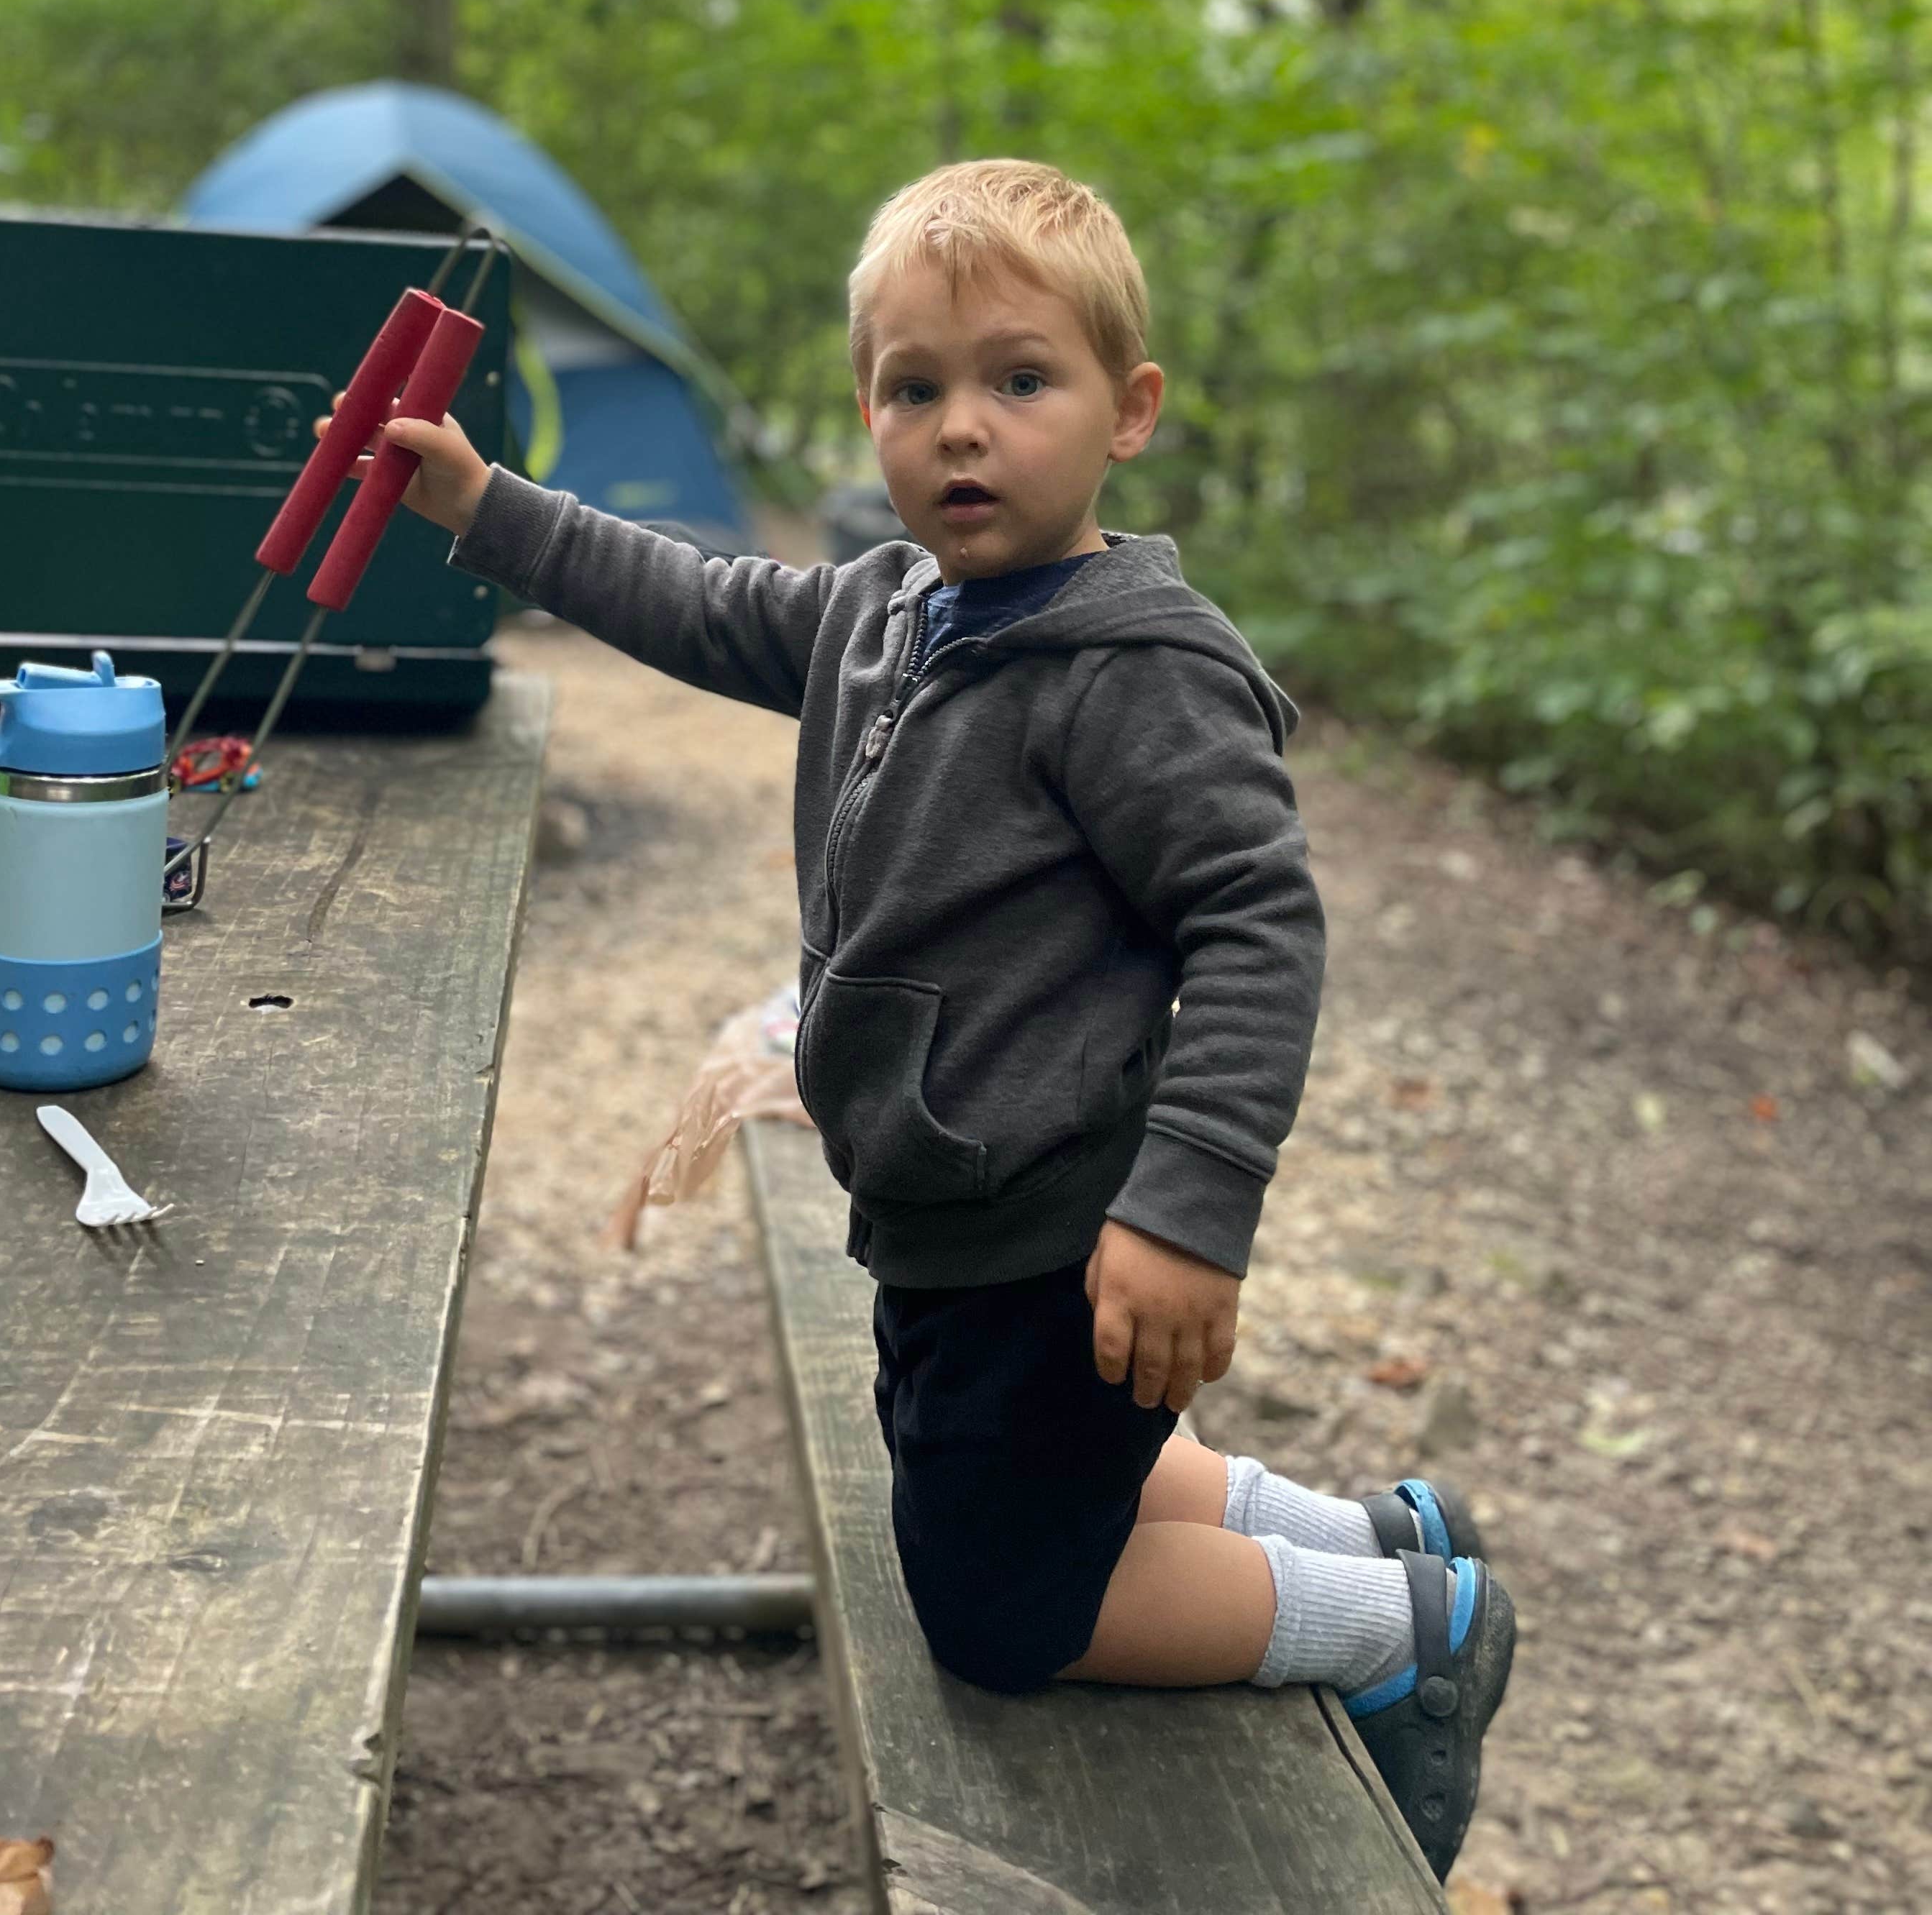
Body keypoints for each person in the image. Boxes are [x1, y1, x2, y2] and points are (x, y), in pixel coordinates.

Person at [322, 157, 1513, 1876]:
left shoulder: (1133, 673)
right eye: (917, 387)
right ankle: (1373, 1532)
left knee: (999, 1608)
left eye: (1022, 381)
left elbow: (1258, 925)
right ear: (868, 411)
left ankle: (1406, 1631)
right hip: (947, 1203)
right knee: (1039, 1474)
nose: (964, 428)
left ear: (1130, 413)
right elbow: (686, 596)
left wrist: (1187, 1211)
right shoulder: (887, 612)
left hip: (1060, 1220)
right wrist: (484, 505)